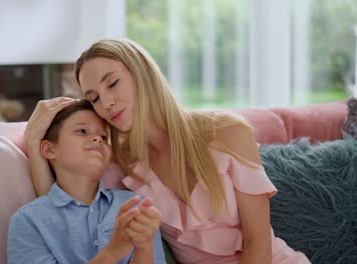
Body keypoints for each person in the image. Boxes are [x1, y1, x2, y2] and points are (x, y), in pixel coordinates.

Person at [24, 39, 311, 263]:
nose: (107, 102)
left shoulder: (228, 132)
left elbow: (258, 244)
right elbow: (61, 209)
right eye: (94, 98)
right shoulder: (121, 166)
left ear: (143, 74)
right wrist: (34, 141)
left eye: (112, 83)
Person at [8, 100, 166, 264]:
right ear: (49, 149)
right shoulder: (29, 221)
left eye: (104, 137)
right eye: (82, 131)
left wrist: (144, 245)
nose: (98, 138)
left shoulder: (134, 206)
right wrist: (112, 253)